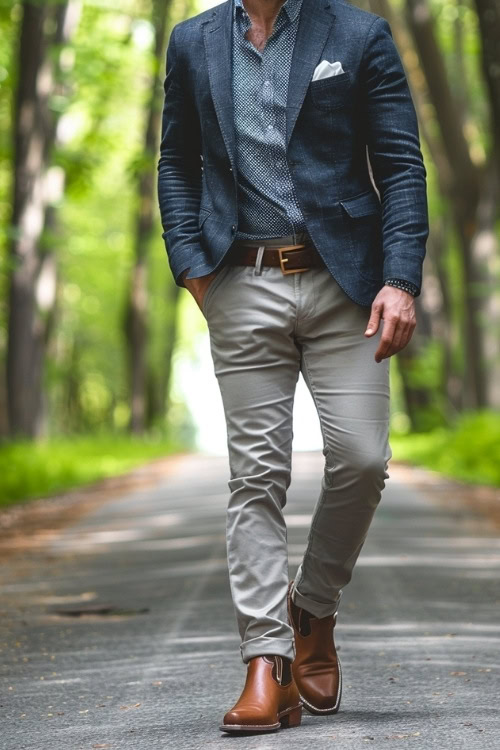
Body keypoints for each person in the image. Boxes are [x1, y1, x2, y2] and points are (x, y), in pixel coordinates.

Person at [157, 0, 429, 735]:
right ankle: (266, 663)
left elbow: (401, 165)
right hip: (239, 280)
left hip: (348, 285)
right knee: (255, 475)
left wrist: (400, 280)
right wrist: (193, 271)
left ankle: (313, 608)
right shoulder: (192, 42)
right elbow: (177, 162)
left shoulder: (358, 34)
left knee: (362, 458)